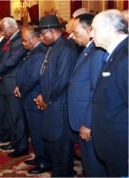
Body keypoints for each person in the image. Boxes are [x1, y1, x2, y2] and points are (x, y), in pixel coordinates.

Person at [34, 15, 78, 176]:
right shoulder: (54, 46)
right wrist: (41, 94)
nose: (40, 37)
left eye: (42, 34)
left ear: (52, 31)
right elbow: (47, 75)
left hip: (59, 106)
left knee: (62, 151)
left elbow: (62, 80)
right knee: (55, 149)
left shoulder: (65, 48)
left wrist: (46, 98)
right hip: (51, 103)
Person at [67, 14, 107, 177]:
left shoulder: (96, 53)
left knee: (93, 167)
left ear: (89, 30)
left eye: (76, 32)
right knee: (88, 164)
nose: (72, 36)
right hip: (81, 118)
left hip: (87, 122)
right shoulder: (87, 50)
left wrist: (88, 123)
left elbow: (95, 90)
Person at [91, 9, 128, 177]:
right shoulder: (115, 53)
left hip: (122, 148)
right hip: (113, 144)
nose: (91, 34)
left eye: (94, 29)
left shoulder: (126, 57)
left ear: (110, 29)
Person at [14, 25, 50, 174]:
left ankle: (44, 162)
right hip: (28, 96)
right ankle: (39, 157)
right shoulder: (33, 50)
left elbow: (34, 76)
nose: (23, 43)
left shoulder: (40, 52)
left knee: (38, 131)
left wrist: (21, 89)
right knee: (33, 131)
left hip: (34, 96)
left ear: (35, 38)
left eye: (25, 40)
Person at [0, 17, 28, 158]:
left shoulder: (18, 40)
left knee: (17, 116)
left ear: (11, 27)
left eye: (4, 29)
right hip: (6, 82)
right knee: (11, 116)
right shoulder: (11, 39)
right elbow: (3, 60)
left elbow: (11, 61)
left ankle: (21, 146)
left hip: (13, 83)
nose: (3, 32)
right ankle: (14, 142)